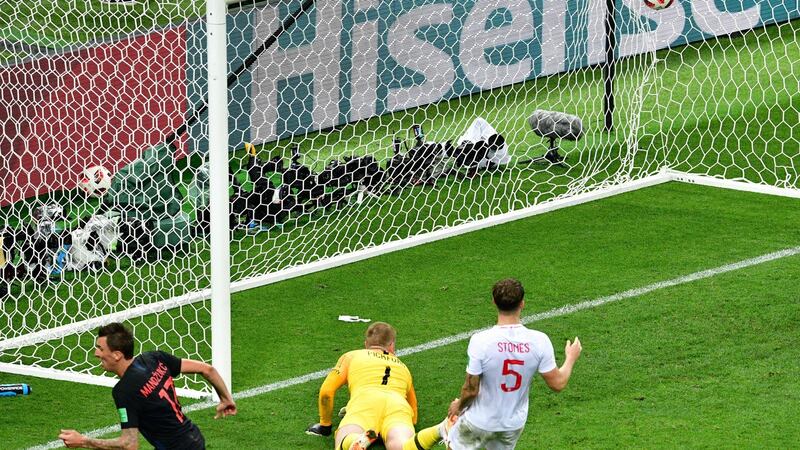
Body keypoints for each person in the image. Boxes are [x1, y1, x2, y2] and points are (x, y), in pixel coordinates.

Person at [445, 278, 582, 450]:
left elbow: (471, 389)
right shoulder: (539, 341)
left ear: (494, 302)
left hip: (480, 421)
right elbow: (558, 384)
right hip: (512, 425)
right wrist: (570, 358)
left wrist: (458, 405)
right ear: (522, 303)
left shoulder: (481, 341)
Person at [59, 322, 237, 449]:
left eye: (100, 349)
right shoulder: (154, 358)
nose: (96, 354)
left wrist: (83, 441)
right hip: (194, 438)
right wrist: (226, 399)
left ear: (117, 355)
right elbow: (207, 369)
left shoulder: (124, 391)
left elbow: (129, 444)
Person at [306, 321, 447, 450]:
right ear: (391, 345)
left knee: (346, 438)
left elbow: (326, 392)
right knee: (403, 444)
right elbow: (413, 411)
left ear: (366, 344)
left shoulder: (352, 356)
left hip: (364, 402)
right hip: (397, 405)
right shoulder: (403, 367)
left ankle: (357, 440)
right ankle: (439, 430)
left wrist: (325, 426)